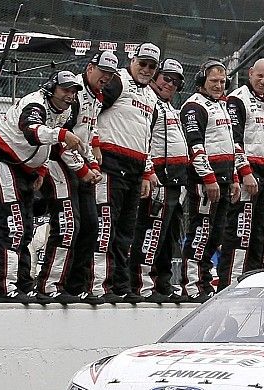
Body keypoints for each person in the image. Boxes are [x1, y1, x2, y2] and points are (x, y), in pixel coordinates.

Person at [0, 70, 84, 303]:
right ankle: (2, 288)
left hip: (25, 167)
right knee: (13, 226)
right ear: (51, 88)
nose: (70, 95)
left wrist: (43, 169)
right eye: (65, 89)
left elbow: (48, 146)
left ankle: (23, 284)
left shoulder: (63, 111)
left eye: (74, 91)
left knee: (25, 227)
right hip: (1, 158)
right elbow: (32, 132)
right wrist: (62, 134)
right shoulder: (35, 103)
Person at [34, 51, 118, 304]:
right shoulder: (77, 95)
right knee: (69, 226)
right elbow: (62, 139)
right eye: (103, 71)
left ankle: (76, 285)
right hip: (58, 165)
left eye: (111, 74)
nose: (106, 77)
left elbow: (87, 135)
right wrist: (84, 170)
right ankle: (49, 285)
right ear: (90, 68)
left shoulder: (97, 98)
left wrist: (92, 163)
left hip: (81, 168)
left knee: (92, 226)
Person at [91, 42, 160, 304]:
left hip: (134, 170)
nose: (146, 69)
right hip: (110, 165)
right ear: (132, 60)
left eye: (151, 66)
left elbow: (147, 137)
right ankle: (99, 285)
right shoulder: (117, 81)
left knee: (126, 232)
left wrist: (145, 172)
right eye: (142, 63)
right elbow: (92, 113)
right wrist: (95, 144)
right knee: (106, 228)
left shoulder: (152, 96)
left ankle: (121, 284)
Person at [180, 59, 241, 302]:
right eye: (213, 81)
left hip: (225, 179)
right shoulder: (194, 106)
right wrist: (208, 178)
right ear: (201, 82)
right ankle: (192, 285)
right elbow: (195, 146)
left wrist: (235, 177)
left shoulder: (222, 105)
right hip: (206, 181)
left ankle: (205, 283)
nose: (219, 85)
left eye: (222, 81)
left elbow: (231, 145)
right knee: (200, 233)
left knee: (215, 236)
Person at [218, 58, 264, 289]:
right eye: (259, 76)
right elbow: (234, 139)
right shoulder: (237, 99)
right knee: (239, 232)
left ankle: (252, 285)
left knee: (258, 234)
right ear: (250, 73)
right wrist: (245, 172)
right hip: (247, 172)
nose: (263, 81)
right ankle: (228, 285)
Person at [129, 59, 189, 303]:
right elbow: (142, 140)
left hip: (176, 181)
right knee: (151, 233)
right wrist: (149, 172)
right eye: (166, 78)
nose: (170, 84)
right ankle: (142, 284)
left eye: (176, 81)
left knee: (169, 236)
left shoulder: (171, 107)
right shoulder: (148, 103)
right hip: (158, 178)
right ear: (155, 76)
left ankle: (162, 283)